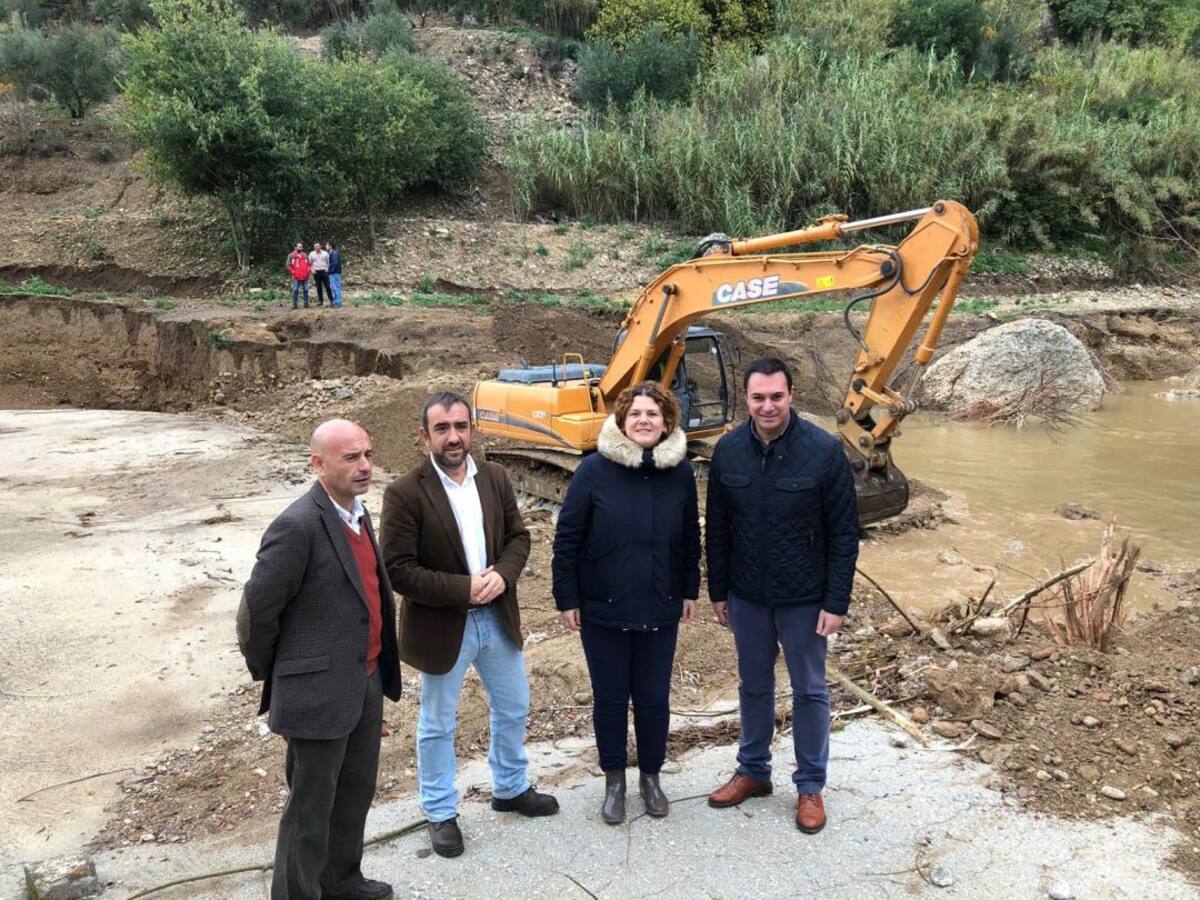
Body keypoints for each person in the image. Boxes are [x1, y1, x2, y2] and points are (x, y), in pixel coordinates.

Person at [380, 392, 558, 859]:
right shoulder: (404, 493)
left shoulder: (495, 478)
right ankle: (440, 811)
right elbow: (398, 570)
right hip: (444, 626)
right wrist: (464, 589)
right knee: (438, 724)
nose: (453, 437)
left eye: (461, 426)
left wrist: (503, 575)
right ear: (424, 436)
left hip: (497, 617)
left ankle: (510, 787)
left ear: (473, 429)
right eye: (442, 429)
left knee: (514, 706)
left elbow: (519, 537)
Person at [237, 419, 402, 900]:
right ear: (318, 464)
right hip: (316, 691)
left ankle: (341, 881)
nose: (365, 466)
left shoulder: (357, 515)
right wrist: (285, 672)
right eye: (351, 458)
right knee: (310, 809)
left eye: (367, 454)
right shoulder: (297, 526)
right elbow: (256, 613)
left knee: (354, 793)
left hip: (365, 679)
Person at [705, 357, 859, 834]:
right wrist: (718, 590)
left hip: (805, 599)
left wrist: (835, 601)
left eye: (776, 396)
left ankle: (810, 785)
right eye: (758, 397)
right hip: (747, 596)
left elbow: (844, 533)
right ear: (746, 399)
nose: (767, 406)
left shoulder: (824, 451)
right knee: (753, 686)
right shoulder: (728, 451)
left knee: (810, 691)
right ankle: (753, 770)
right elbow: (718, 529)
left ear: (791, 395)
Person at [552, 381, 700, 824]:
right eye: (635, 413)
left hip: (660, 604)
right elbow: (568, 538)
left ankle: (650, 778)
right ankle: (614, 780)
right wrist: (567, 597)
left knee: (653, 700)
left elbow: (689, 538)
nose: (643, 420)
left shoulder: (680, 473)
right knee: (611, 700)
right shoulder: (593, 471)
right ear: (621, 420)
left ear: (667, 422)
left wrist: (689, 589)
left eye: (652, 414)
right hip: (603, 607)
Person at [286, 242, 311, 310]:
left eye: (301, 247)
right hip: (296, 276)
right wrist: (293, 272)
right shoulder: (291, 255)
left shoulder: (305, 255)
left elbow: (309, 264)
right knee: (295, 290)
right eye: (299, 247)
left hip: (305, 276)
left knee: (306, 289)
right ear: (295, 247)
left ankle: (306, 304)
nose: (300, 248)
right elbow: (288, 265)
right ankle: (294, 305)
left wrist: (308, 270)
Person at [309, 241, 331, 307]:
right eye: (316, 246)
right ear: (314, 247)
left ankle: (331, 300)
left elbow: (329, 262)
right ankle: (320, 301)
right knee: (319, 287)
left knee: (328, 286)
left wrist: (327, 270)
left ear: (320, 246)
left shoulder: (325, 253)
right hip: (316, 272)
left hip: (324, 272)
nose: (317, 247)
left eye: (318, 246)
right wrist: (313, 271)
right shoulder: (311, 254)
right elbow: (310, 264)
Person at [328, 241, 344, 308]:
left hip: (334, 273)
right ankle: (335, 302)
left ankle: (338, 302)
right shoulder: (332, 253)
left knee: (336, 287)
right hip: (334, 273)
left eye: (327, 245)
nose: (326, 246)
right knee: (334, 287)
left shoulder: (334, 253)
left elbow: (335, 263)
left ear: (330, 246)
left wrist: (331, 271)